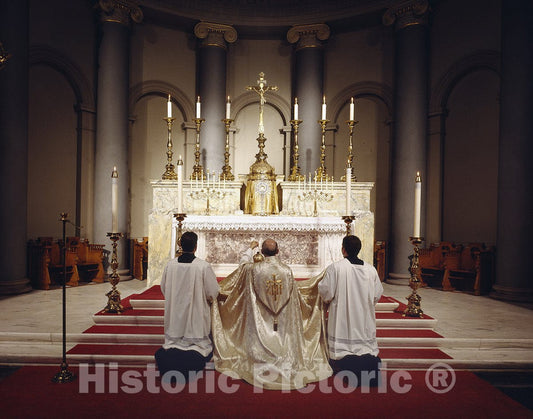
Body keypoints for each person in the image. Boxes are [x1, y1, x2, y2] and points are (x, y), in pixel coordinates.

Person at [212, 238, 331, 390]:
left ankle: (261, 359)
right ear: (278, 251)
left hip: (261, 324)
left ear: (261, 252)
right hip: (282, 324)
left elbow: (241, 268)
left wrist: (249, 250)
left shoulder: (253, 270)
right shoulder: (287, 271)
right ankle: (283, 358)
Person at [318, 235, 384, 386]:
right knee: (364, 346)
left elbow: (326, 293)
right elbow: (377, 294)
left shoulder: (336, 267)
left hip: (342, 317)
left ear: (343, 249)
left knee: (344, 348)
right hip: (364, 318)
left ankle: (345, 363)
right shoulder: (370, 269)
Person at [155, 231, 220, 380]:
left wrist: (175, 299)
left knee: (174, 339)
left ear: (180, 246)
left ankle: (175, 345)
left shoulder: (170, 265)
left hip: (174, 313)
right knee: (198, 342)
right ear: (196, 246)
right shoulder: (202, 266)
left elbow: (164, 287)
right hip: (196, 313)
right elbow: (212, 292)